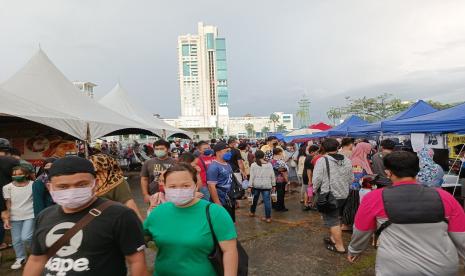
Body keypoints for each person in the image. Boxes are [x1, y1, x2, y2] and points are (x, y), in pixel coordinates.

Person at [24, 156, 148, 276]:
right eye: (63, 187)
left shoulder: (120, 215)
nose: (72, 191)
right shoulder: (44, 216)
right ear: (49, 187)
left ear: (96, 184)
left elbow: (136, 261)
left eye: (82, 184)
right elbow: (36, 260)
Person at [348, 151, 465, 275]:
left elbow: (361, 230)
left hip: (396, 267)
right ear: (417, 169)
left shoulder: (374, 198)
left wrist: (355, 250)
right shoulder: (445, 197)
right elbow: (461, 235)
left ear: (388, 172)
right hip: (442, 266)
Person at [144, 163, 238, 275]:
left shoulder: (215, 212)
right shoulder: (158, 212)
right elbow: (139, 239)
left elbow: (229, 251)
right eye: (172, 186)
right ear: (164, 187)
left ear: (195, 185)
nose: (179, 190)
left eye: (186, 185)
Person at [312, 138, 353, 254]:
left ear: (323, 148)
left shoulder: (322, 161)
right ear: (337, 147)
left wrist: (314, 191)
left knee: (333, 221)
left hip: (329, 196)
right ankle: (333, 238)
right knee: (337, 217)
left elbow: (317, 180)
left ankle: (339, 246)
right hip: (344, 194)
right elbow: (351, 179)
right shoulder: (347, 160)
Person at [90, 154, 143, 221]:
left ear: (108, 166)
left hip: (111, 221)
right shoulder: (88, 181)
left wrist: (139, 223)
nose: (97, 174)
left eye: (99, 170)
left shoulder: (117, 182)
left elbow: (129, 203)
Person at [2, 165, 34, 269]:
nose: (17, 176)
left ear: (26, 174)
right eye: (14, 175)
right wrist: (6, 218)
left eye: (20, 174)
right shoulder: (7, 187)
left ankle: (37, 253)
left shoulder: (33, 185)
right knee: (16, 240)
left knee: (26, 237)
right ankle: (20, 257)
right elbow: (8, 203)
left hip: (30, 215)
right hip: (15, 217)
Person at [342, 142, 373, 229]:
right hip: (355, 188)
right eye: (367, 150)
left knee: (354, 207)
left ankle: (351, 224)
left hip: (359, 188)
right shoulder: (357, 161)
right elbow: (356, 177)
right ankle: (348, 225)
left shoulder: (361, 159)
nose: (369, 152)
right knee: (352, 207)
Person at [207, 142, 236, 221]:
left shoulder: (227, 164)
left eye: (229, 151)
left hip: (229, 199)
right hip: (220, 201)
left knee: (230, 221)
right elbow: (211, 186)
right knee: (221, 222)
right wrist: (217, 203)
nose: (229, 153)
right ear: (218, 152)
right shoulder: (213, 167)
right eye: (226, 151)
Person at [0, 138, 20, 251]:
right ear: (7, 149)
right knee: (12, 219)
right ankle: (15, 242)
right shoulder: (13, 161)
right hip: (10, 195)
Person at [248, 150, 276, 223]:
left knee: (254, 200)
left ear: (255, 156)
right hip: (266, 186)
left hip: (256, 185)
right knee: (267, 202)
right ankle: (268, 218)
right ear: (263, 156)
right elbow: (272, 176)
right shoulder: (269, 165)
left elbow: (252, 177)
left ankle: (252, 212)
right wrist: (273, 185)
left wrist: (250, 186)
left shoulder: (253, 165)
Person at [302, 145, 320, 211]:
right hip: (308, 176)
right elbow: (309, 170)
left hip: (307, 176)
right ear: (312, 152)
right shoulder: (310, 158)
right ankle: (307, 204)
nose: (318, 153)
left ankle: (309, 204)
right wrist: (310, 180)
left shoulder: (309, 157)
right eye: (317, 151)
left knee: (309, 190)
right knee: (308, 190)